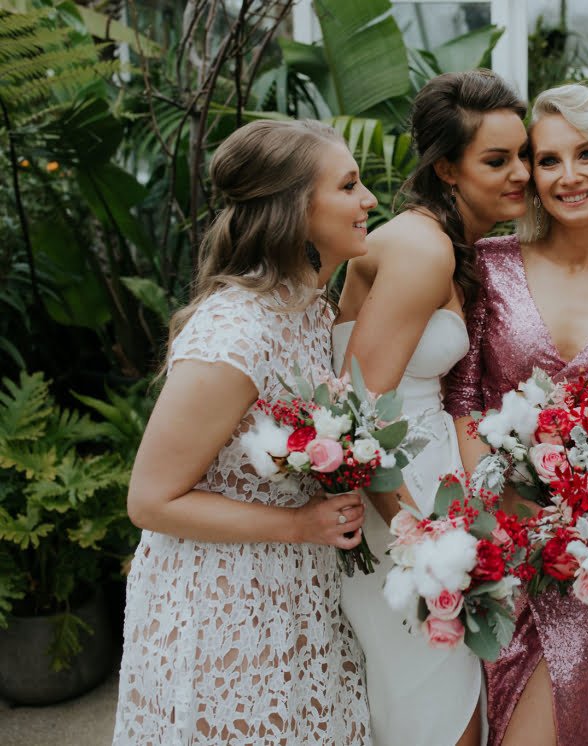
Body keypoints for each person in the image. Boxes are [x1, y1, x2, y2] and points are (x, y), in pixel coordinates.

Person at [114, 120, 376, 745]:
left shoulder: (312, 309)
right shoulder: (235, 334)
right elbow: (149, 501)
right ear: (296, 210)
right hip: (222, 609)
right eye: (349, 186)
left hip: (299, 593)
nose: (369, 200)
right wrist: (299, 524)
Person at [444, 83, 588, 746]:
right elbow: (462, 399)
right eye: (548, 160)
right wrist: (507, 511)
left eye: (587, 154)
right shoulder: (487, 266)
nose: (569, 176)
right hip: (491, 545)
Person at [333, 69, 529, 746]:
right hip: (398, 503)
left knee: (441, 705)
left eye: (523, 154)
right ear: (447, 167)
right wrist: (417, 540)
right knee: (437, 715)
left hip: (426, 491)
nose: (521, 173)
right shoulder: (422, 249)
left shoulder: (443, 243)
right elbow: (354, 419)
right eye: (497, 160)